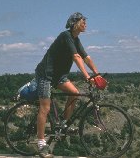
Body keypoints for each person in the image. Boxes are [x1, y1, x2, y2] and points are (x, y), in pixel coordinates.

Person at [34, 12, 102, 158]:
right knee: (44, 108)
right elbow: (76, 57)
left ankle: (63, 124)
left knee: (75, 93)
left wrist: (97, 74)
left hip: (59, 76)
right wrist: (87, 76)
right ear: (75, 23)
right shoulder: (66, 36)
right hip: (46, 75)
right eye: (83, 21)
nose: (86, 24)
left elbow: (86, 57)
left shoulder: (75, 39)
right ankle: (41, 143)